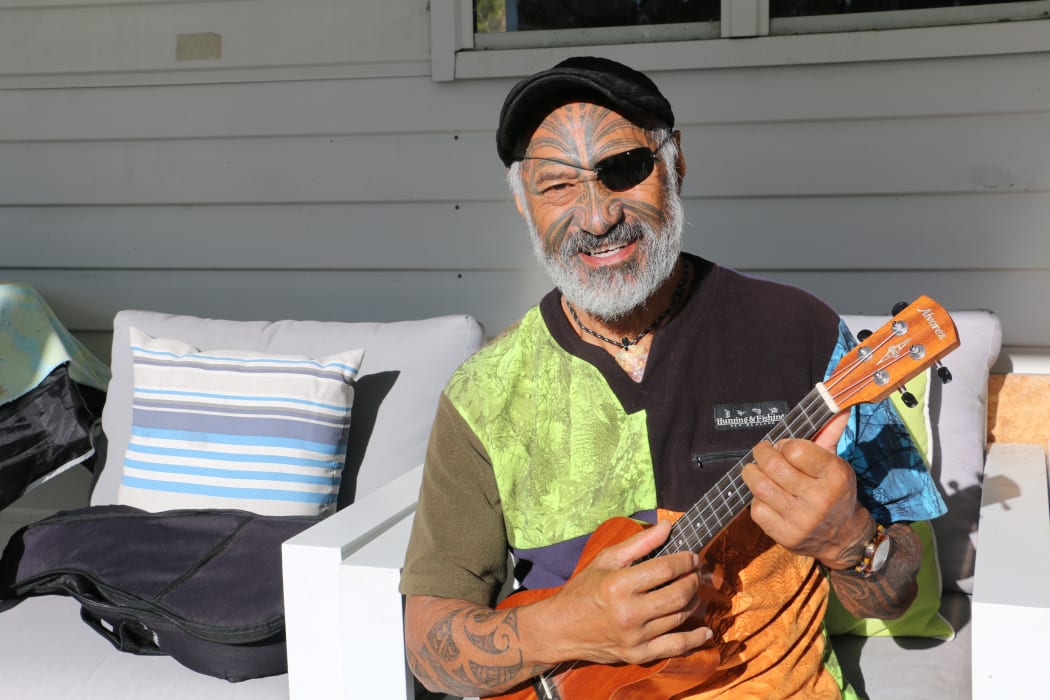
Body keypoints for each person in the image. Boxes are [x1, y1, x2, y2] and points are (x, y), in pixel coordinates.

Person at [398, 56, 945, 699]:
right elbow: (429, 646)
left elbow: (895, 590)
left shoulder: (801, 333)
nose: (597, 217)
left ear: (675, 162)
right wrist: (565, 630)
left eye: (623, 169)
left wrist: (850, 539)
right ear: (523, 202)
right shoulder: (483, 395)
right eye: (557, 186)